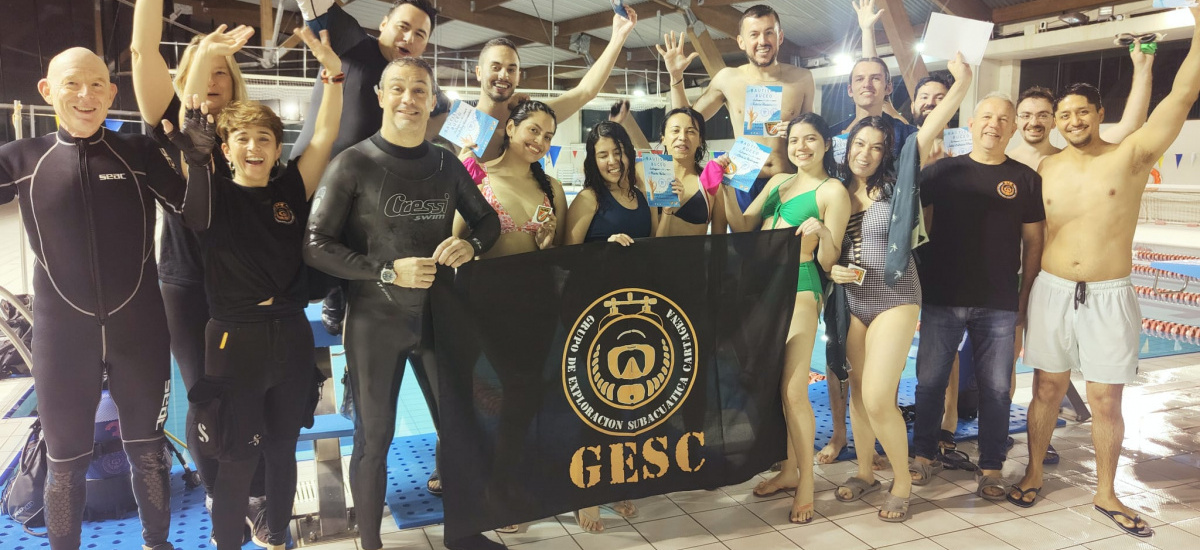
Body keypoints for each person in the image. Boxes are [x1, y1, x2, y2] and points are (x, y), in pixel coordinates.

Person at [1009, 7, 1200, 537]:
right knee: (1046, 389)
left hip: (1109, 294)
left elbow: (1182, 95)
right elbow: (1031, 239)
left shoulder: (1130, 156)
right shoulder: (1044, 168)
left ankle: (1107, 491)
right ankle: (1031, 473)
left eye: (1080, 112)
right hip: (1051, 290)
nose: (1071, 122)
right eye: (1062, 115)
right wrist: (1022, 306)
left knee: (1104, 398)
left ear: (1098, 112)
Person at [304, 56, 501, 550]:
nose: (409, 99)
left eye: (419, 90)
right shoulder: (353, 163)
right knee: (375, 442)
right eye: (398, 89)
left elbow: (488, 222)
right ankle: (371, 544)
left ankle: (465, 533)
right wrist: (387, 271)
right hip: (375, 320)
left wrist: (471, 246)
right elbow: (314, 244)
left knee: (458, 430)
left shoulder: (444, 163)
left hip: (437, 319)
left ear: (433, 99)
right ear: (380, 96)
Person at [163, 23, 343, 549]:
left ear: (276, 147)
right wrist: (209, 56)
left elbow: (325, 136)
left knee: (284, 449)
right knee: (236, 454)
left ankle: (277, 531)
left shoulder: (291, 187)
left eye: (265, 137)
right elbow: (186, 120)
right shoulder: (208, 195)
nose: (255, 146)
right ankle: (227, 543)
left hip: (288, 334)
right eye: (242, 137)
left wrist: (331, 71)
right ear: (226, 147)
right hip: (232, 341)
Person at [0, 47, 184, 550]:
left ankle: (158, 544)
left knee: (148, 451)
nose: (87, 95)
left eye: (98, 84)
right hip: (63, 338)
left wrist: (199, 159)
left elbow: (198, 212)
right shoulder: (20, 160)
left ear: (112, 92)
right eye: (73, 84)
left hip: (140, 328)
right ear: (46, 91)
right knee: (66, 461)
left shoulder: (139, 153)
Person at [129, 3, 269, 541]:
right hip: (186, 284)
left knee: (248, 394)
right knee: (204, 395)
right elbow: (143, 51)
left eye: (222, 73)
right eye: (202, 69)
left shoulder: (248, 136)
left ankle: (254, 493)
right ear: (182, 78)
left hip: (244, 287)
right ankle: (217, 493)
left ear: (234, 86)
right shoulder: (170, 126)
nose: (212, 82)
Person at [826, 53, 971, 523]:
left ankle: (902, 481)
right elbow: (829, 252)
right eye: (857, 145)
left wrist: (963, 79)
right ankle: (866, 472)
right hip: (854, 299)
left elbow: (930, 128)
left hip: (895, 297)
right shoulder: (837, 191)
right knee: (857, 395)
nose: (864, 153)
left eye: (874, 147)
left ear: (887, 152)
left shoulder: (899, 180)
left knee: (876, 395)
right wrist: (833, 271)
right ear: (846, 147)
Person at [909, 92, 1045, 502]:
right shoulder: (942, 172)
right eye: (986, 116)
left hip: (999, 300)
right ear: (970, 124)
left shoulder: (1024, 178)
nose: (994, 124)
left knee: (997, 389)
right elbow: (909, 221)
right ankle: (924, 455)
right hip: (943, 295)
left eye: (1004, 118)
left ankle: (990, 467)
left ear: (1013, 127)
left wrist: (1024, 299)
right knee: (930, 382)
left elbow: (1034, 243)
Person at [721, 113, 850, 523]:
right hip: (765, 289)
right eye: (795, 140)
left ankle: (807, 484)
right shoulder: (778, 183)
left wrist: (824, 233)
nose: (802, 147)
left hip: (801, 288)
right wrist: (722, 184)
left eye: (811, 139)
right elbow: (742, 225)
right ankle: (790, 470)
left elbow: (830, 263)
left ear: (826, 144)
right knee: (772, 386)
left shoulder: (833, 192)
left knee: (794, 390)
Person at [659, 4, 815, 211]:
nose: (762, 41)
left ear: (780, 36)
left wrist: (797, 131)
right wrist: (676, 78)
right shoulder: (728, 79)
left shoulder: (802, 79)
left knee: (786, 242)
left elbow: (814, 135)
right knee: (741, 242)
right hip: (743, 182)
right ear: (741, 41)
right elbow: (686, 121)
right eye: (754, 34)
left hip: (786, 179)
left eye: (769, 33)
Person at [463, 8, 641, 162]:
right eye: (496, 67)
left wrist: (618, 37)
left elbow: (585, 91)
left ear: (518, 77)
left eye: (511, 69)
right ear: (478, 72)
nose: (503, 75)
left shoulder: (531, 119)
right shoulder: (459, 125)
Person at [1009, 43, 1154, 171]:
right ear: (1016, 120)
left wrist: (1143, 68)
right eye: (1026, 115)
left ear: (1054, 121)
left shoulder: (1074, 155)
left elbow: (1129, 124)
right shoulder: (1004, 163)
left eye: (1043, 115)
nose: (1034, 122)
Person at [566, 121, 662, 246]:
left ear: (628, 153)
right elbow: (569, 255)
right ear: (594, 161)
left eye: (618, 153)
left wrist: (667, 212)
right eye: (603, 156)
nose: (612, 161)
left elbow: (652, 242)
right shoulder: (588, 199)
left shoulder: (643, 196)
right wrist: (606, 247)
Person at [655, 108, 727, 237]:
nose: (682, 137)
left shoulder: (711, 185)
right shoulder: (648, 175)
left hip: (695, 257)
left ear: (700, 140)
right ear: (663, 139)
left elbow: (719, 243)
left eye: (691, 132)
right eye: (675, 131)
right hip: (651, 256)